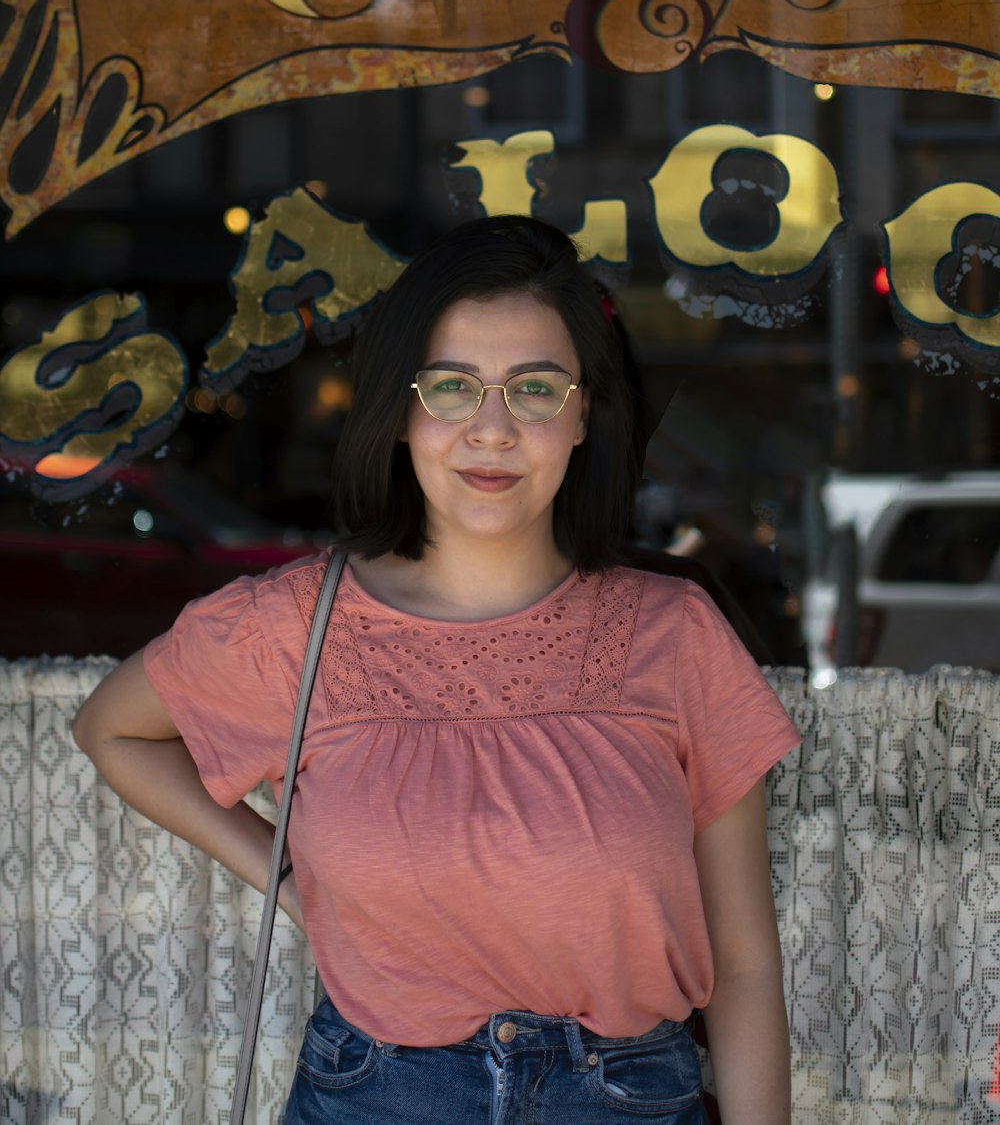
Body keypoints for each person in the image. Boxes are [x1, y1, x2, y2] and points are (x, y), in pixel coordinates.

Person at [73, 213, 802, 1125]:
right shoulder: (301, 625)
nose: (490, 429)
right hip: (379, 1096)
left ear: (583, 414)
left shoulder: (675, 634)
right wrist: (287, 878)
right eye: (452, 386)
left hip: (625, 1102)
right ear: (402, 410)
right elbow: (112, 728)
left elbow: (742, 968)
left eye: (535, 388)